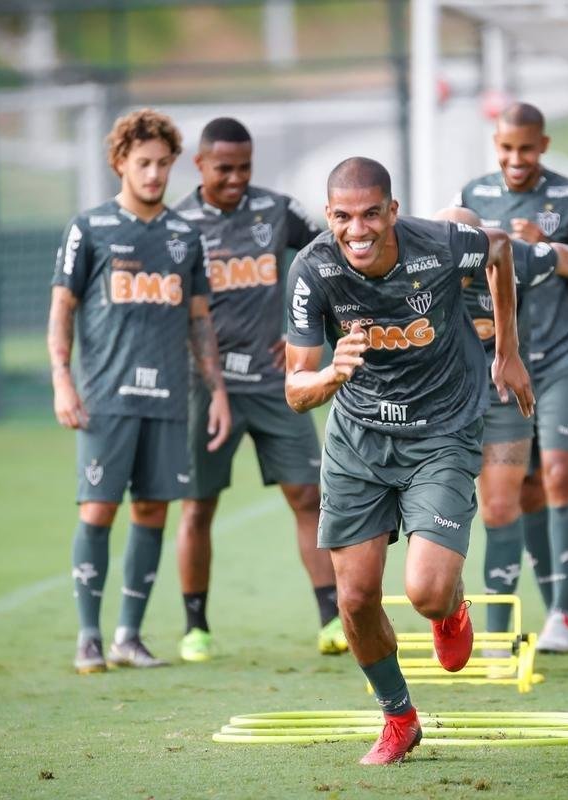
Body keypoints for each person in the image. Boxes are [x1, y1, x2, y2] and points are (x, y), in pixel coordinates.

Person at [284, 157, 533, 765]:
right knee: (355, 597)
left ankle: (450, 607)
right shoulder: (313, 268)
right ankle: (398, 718)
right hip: (359, 441)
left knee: (424, 592)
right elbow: (295, 391)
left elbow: (500, 250)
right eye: (343, 216)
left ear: (393, 212)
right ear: (328, 217)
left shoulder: (442, 245)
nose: (358, 229)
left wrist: (507, 350)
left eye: (371, 213)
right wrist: (331, 373)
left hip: (443, 430)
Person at [48, 108, 230, 673]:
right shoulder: (90, 228)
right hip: (106, 397)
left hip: (170, 397)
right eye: (142, 163)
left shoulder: (184, 236)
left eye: (162, 164)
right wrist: (62, 377)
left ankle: (129, 635)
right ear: (119, 163)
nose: (154, 174)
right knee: (99, 510)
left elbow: (200, 320)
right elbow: (63, 307)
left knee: (152, 510)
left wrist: (217, 390)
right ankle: (88, 637)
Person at [171, 117, 344, 663]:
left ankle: (331, 619)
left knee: (308, 496)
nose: (236, 178)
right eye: (224, 168)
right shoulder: (176, 224)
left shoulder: (274, 210)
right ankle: (195, 627)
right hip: (207, 386)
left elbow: (333, 251)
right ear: (200, 166)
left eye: (245, 167)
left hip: (275, 381)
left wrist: (301, 336)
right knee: (198, 506)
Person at [455, 102, 568, 653]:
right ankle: (502, 630)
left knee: (559, 476)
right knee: (514, 496)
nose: (516, 159)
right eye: (506, 148)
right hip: (499, 367)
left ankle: (561, 615)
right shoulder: (472, 197)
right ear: (496, 145)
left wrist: (547, 245)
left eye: (526, 148)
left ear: (542, 144)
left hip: (560, 359)